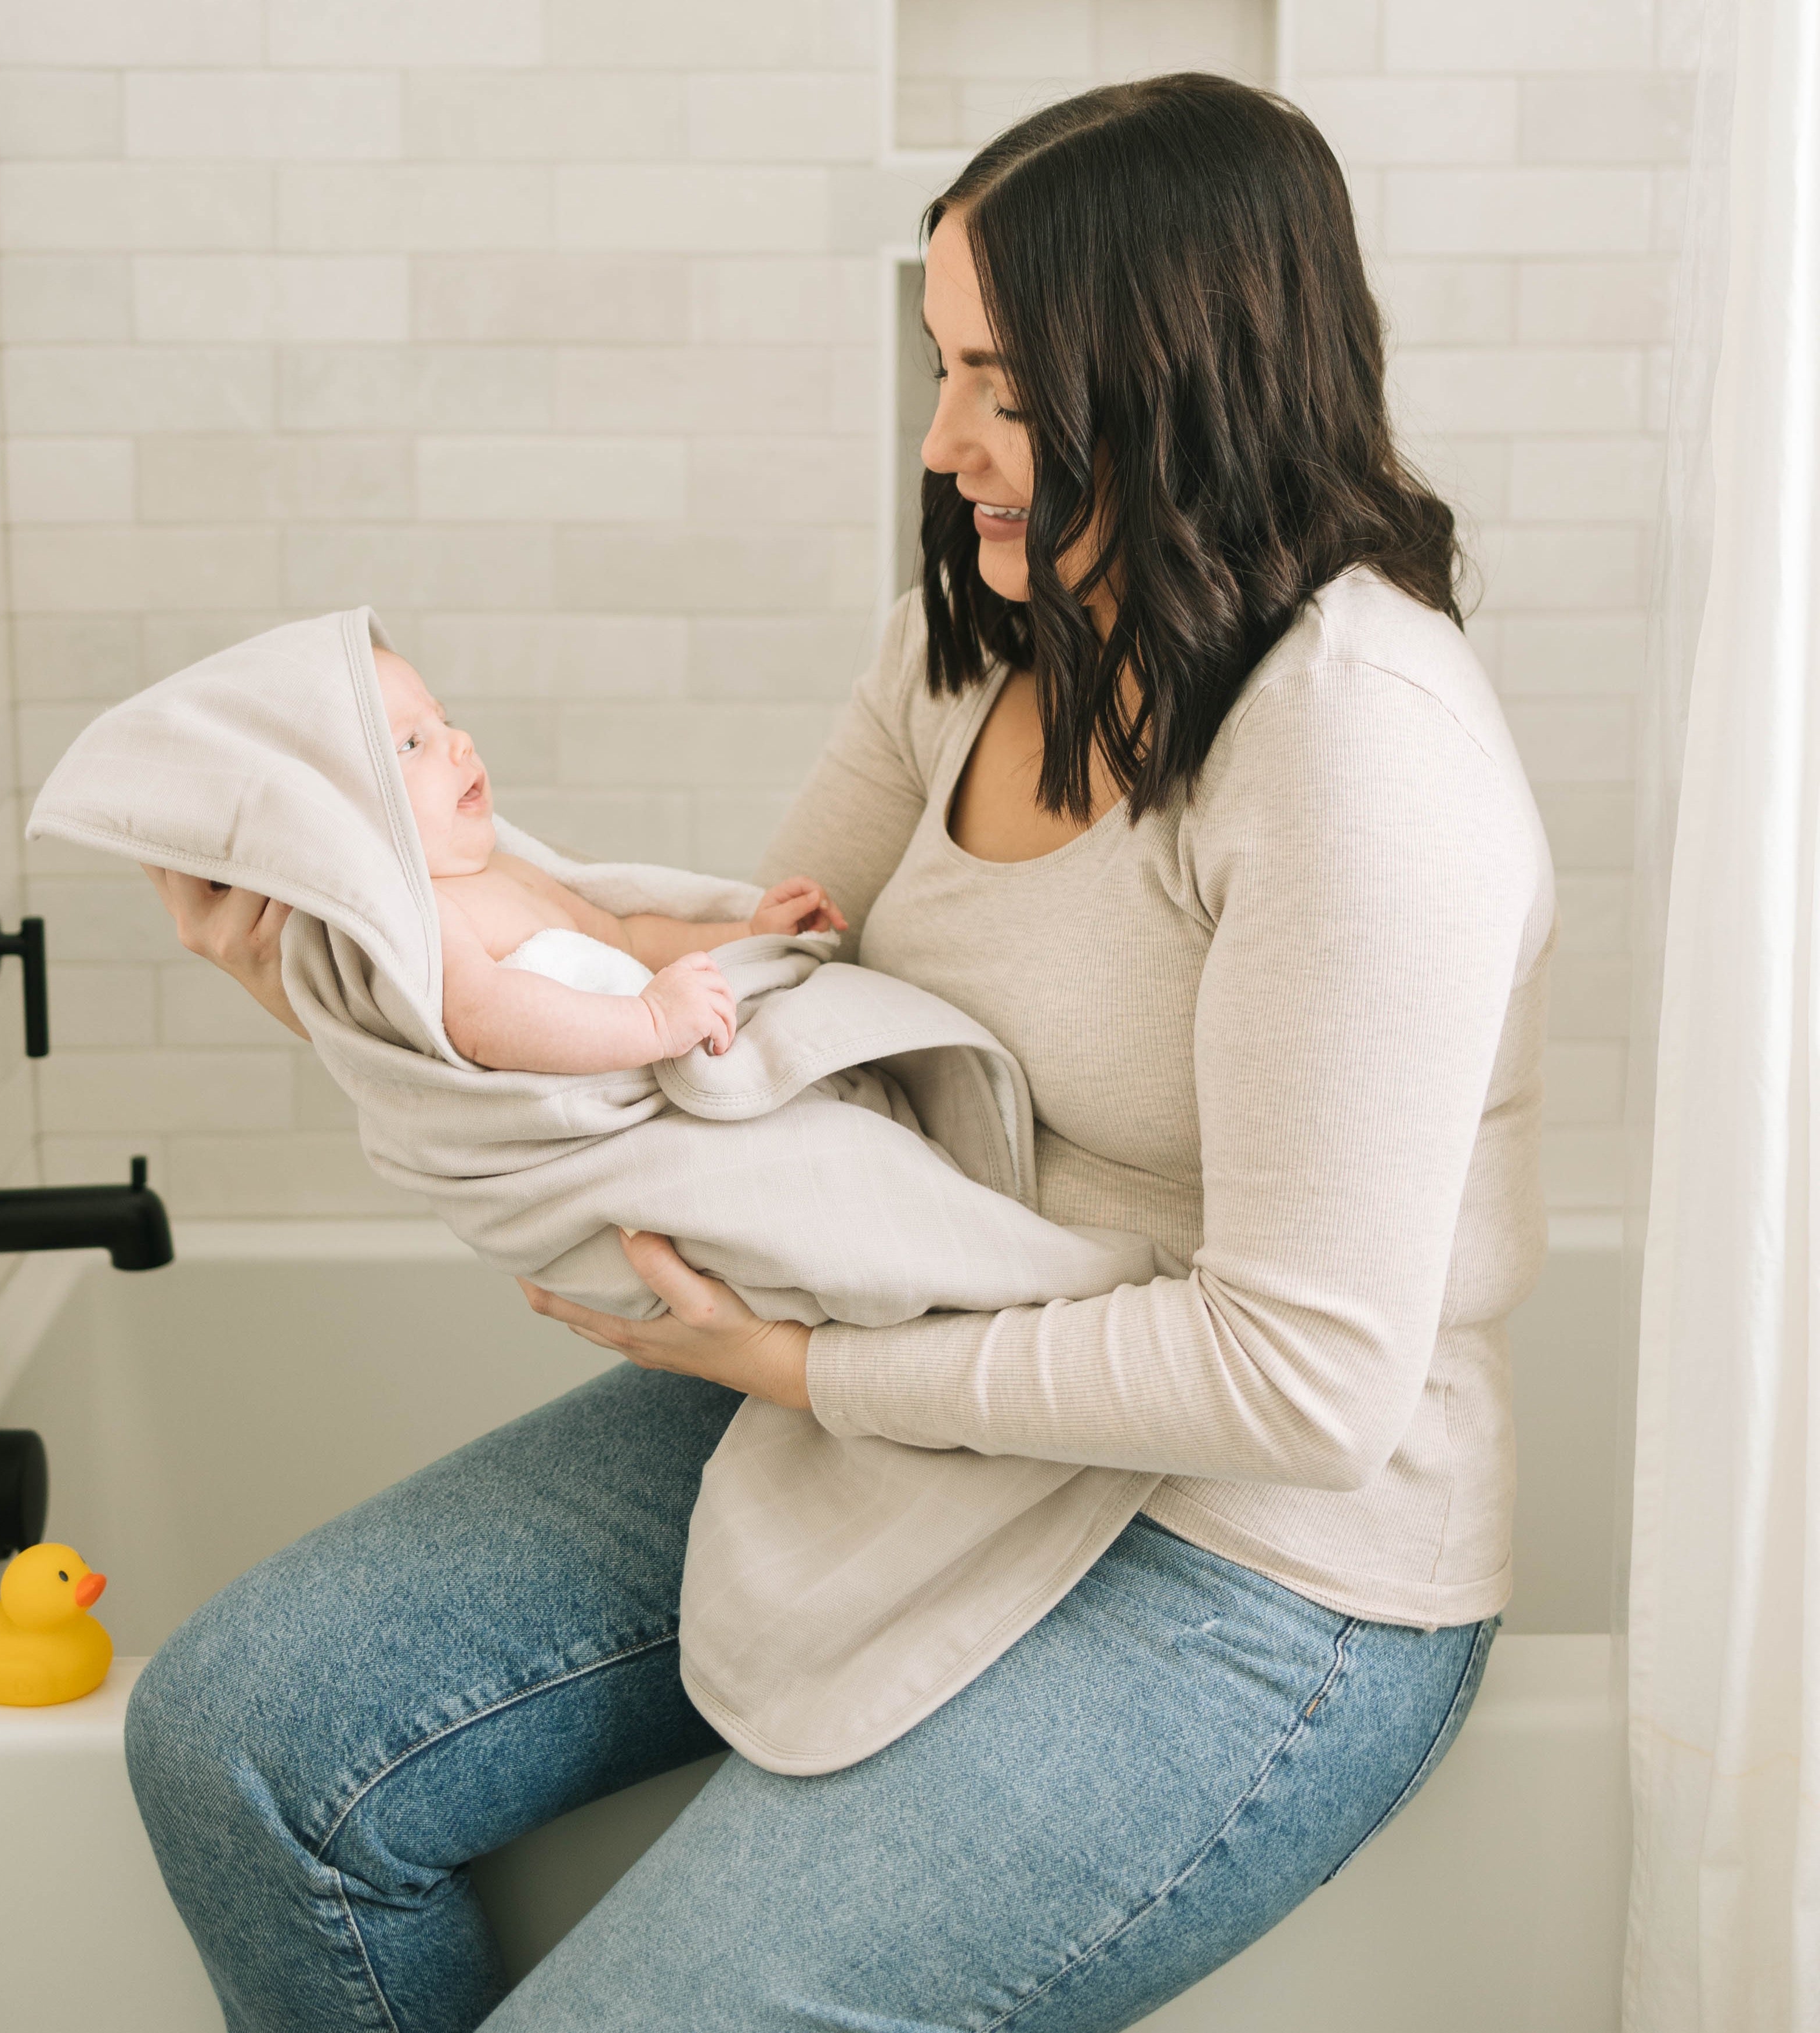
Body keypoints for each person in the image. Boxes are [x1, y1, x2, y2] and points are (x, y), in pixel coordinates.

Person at [126, 73, 1553, 2031]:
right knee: (238, 1744)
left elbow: (1297, 1382)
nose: (945, 437)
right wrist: (361, 960)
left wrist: (803, 1365)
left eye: (1007, 384)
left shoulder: (1358, 746)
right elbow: (721, 1036)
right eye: (937, 361)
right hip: (909, 1390)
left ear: (1192, 379)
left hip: (1245, 1557)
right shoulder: (967, 643)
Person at [374, 641, 845, 1070]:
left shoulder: (508, 870)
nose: (461, 742)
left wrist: (747, 932)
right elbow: (482, 1019)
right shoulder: (431, 911)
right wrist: (651, 1021)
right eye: (411, 743)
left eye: (445, 721)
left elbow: (626, 937)